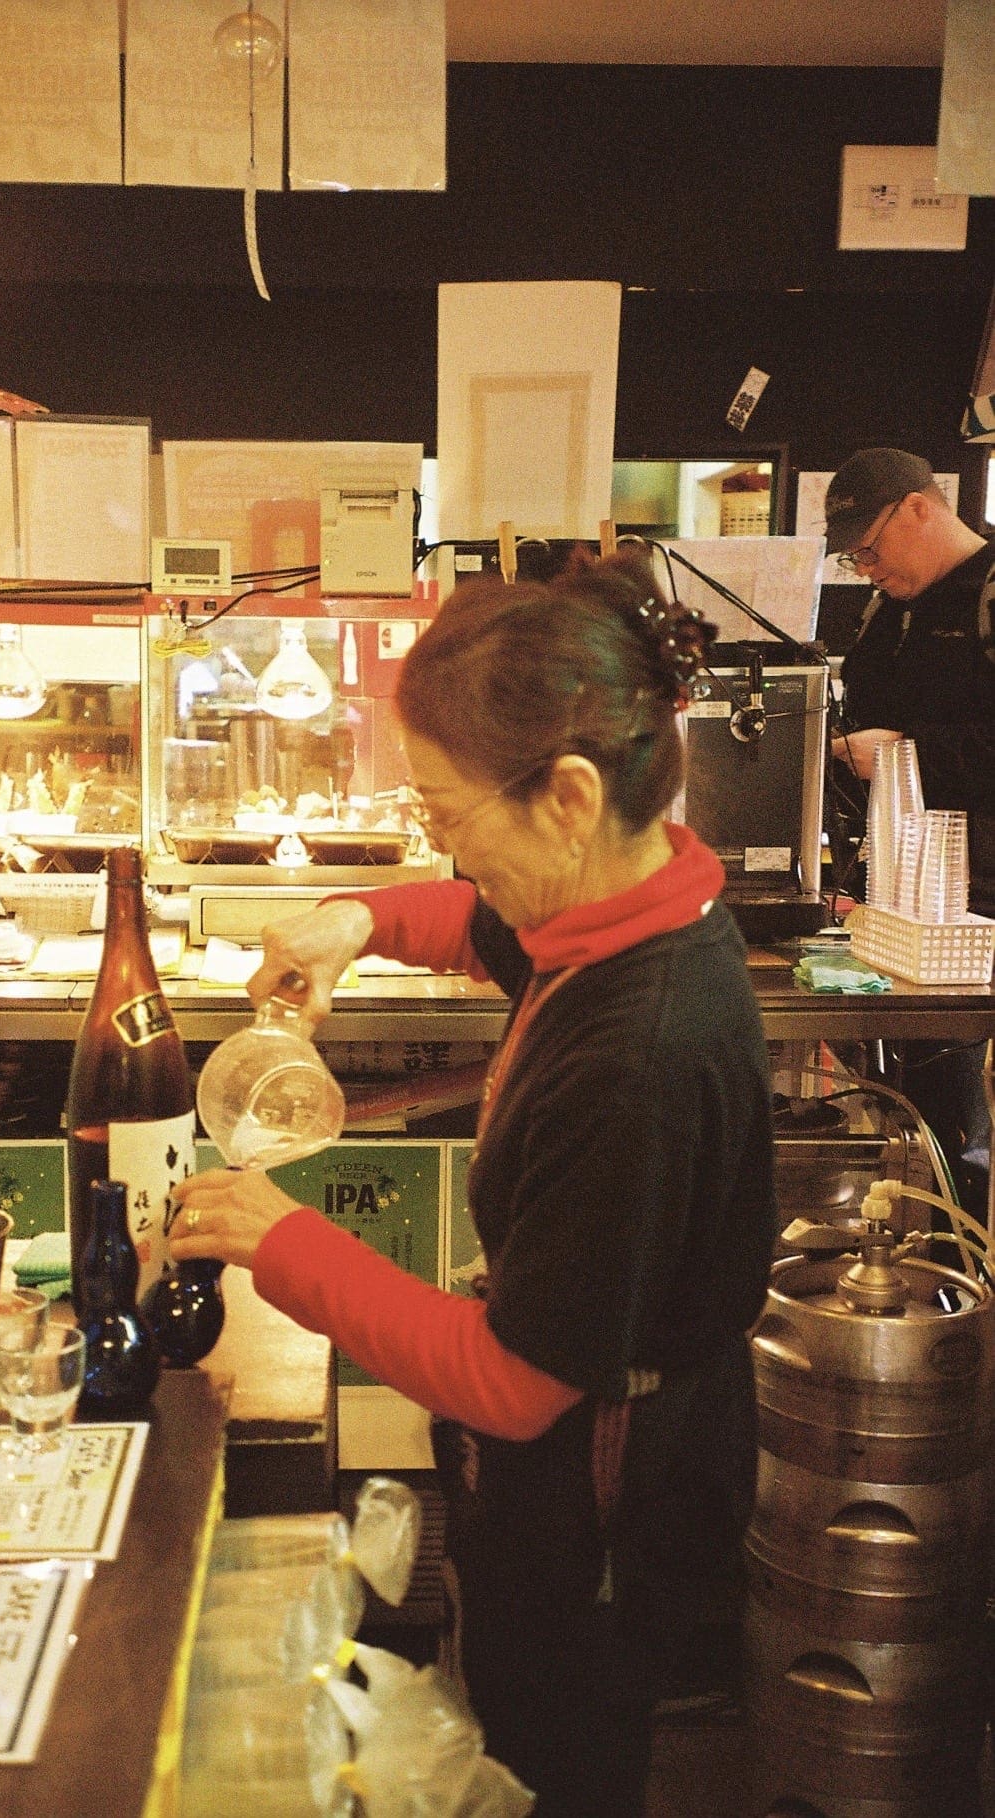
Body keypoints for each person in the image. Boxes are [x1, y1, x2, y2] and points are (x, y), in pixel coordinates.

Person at [169, 553, 777, 1818]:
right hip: (577, 1446)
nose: (442, 845)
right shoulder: (628, 897)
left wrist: (283, 1245)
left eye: (447, 816)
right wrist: (359, 917)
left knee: (562, 1750)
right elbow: (483, 926)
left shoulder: (640, 1052)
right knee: (511, 1697)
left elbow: (513, 1381)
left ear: (565, 795)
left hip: (610, 1488)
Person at [826, 448, 994, 1216]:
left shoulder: (988, 592)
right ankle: (904, 1252)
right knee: (897, 1110)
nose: (865, 567)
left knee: (963, 1126)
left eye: (871, 547)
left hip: (977, 909)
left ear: (920, 508)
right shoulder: (889, 609)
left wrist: (906, 755)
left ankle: (967, 1278)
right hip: (890, 897)